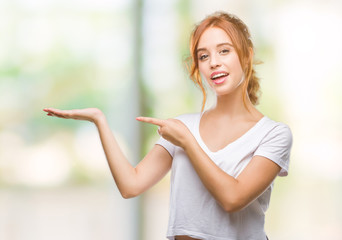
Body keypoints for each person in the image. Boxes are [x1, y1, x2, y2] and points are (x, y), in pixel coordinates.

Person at [43, 11, 292, 240]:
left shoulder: (272, 134)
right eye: (203, 56)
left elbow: (233, 198)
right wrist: (99, 120)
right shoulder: (183, 126)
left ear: (247, 54)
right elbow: (131, 185)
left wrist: (187, 142)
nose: (213, 62)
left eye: (224, 51)